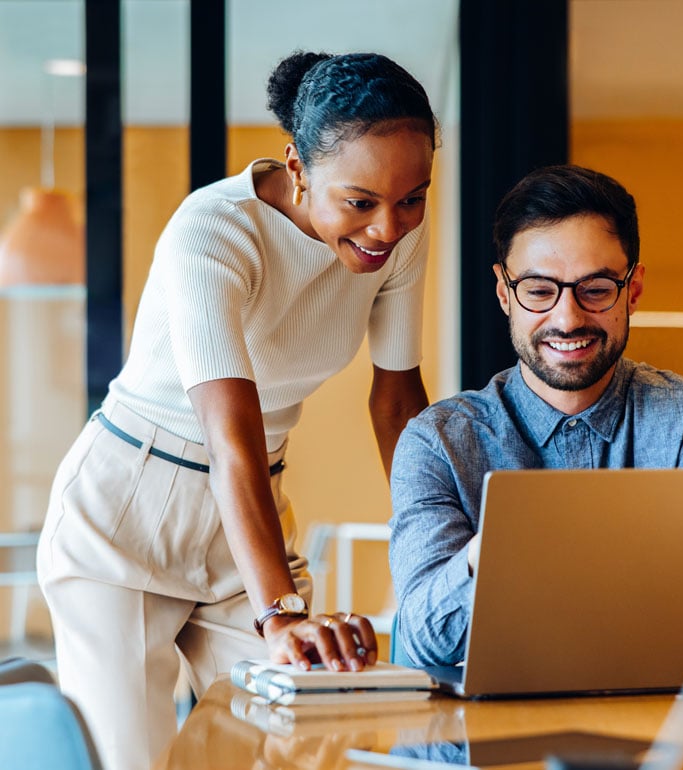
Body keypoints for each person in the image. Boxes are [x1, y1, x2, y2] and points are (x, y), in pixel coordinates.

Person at [37, 50, 438, 770]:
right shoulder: (214, 231)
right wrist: (280, 614)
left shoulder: (396, 236)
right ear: (297, 166)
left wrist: (436, 549)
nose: (387, 227)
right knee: (133, 760)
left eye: (413, 198)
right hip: (126, 517)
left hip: (250, 512)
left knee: (300, 745)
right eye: (361, 203)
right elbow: (232, 437)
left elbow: (398, 403)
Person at [389, 164, 683, 667]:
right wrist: (499, 547)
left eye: (595, 289)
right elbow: (426, 638)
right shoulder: (438, 442)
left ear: (633, 290)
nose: (568, 318)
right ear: (504, 293)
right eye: (538, 291)